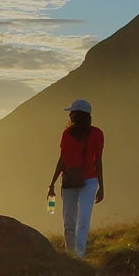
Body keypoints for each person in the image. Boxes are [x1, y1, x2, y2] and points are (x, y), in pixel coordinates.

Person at [47, 98, 104, 259]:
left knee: (77, 222)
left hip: (80, 181)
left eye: (72, 113)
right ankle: (73, 255)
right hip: (84, 181)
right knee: (73, 222)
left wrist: (101, 185)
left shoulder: (93, 134)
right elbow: (63, 159)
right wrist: (51, 183)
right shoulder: (72, 134)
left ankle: (77, 256)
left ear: (77, 115)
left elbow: (97, 159)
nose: (70, 116)